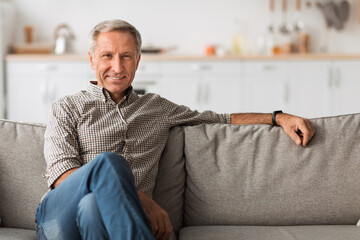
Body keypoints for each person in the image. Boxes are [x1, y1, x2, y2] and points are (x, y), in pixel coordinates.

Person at [35, 19, 315, 240]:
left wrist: (278, 117)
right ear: (92, 59)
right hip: (58, 218)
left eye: (127, 56)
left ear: (138, 60)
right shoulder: (67, 107)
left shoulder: (157, 108)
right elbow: (63, 176)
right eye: (107, 55)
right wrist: (140, 196)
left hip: (107, 219)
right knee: (109, 164)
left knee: (93, 207)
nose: (117, 67)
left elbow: (217, 118)